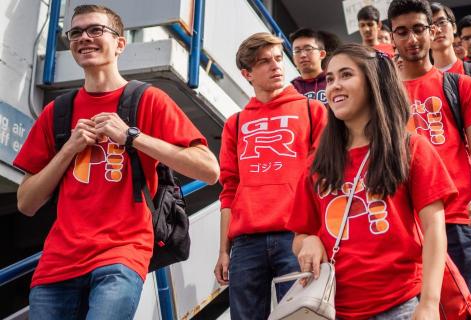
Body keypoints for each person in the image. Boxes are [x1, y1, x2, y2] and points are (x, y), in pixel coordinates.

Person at [13, 5, 220, 320]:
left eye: (96, 30)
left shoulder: (148, 99)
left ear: (120, 44)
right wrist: (68, 149)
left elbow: (209, 169)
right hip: (57, 264)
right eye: (76, 32)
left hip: (121, 255)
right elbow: (26, 202)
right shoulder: (57, 111)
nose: (85, 38)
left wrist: (132, 137)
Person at [287, 43, 453, 320]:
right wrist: (309, 241)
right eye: (330, 78)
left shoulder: (412, 148)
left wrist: (429, 303)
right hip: (332, 309)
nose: (334, 86)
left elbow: (435, 230)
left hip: (401, 306)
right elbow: (299, 236)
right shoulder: (317, 164)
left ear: (374, 82)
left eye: (346, 75)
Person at [214, 32, 327, 320]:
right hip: (246, 244)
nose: (276, 66)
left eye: (278, 59)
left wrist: (317, 236)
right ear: (246, 73)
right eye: (264, 61)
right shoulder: (235, 123)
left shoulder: (313, 111)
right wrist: (223, 251)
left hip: (297, 237)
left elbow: (324, 179)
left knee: (303, 316)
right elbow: (229, 189)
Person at [389, 0, 471, 314]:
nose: (412, 39)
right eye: (402, 32)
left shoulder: (461, 85)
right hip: (404, 225)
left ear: (431, 31)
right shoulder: (385, 97)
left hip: (458, 216)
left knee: (466, 308)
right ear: (391, 38)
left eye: (418, 29)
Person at [430, 2, 471, 80]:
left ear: (454, 27)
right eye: (430, 26)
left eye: (442, 22)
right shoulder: (416, 82)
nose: (438, 30)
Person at [290, 28, 328, 104]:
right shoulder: (291, 90)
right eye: (297, 51)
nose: (302, 55)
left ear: (322, 54)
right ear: (293, 59)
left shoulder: (333, 81)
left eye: (308, 49)